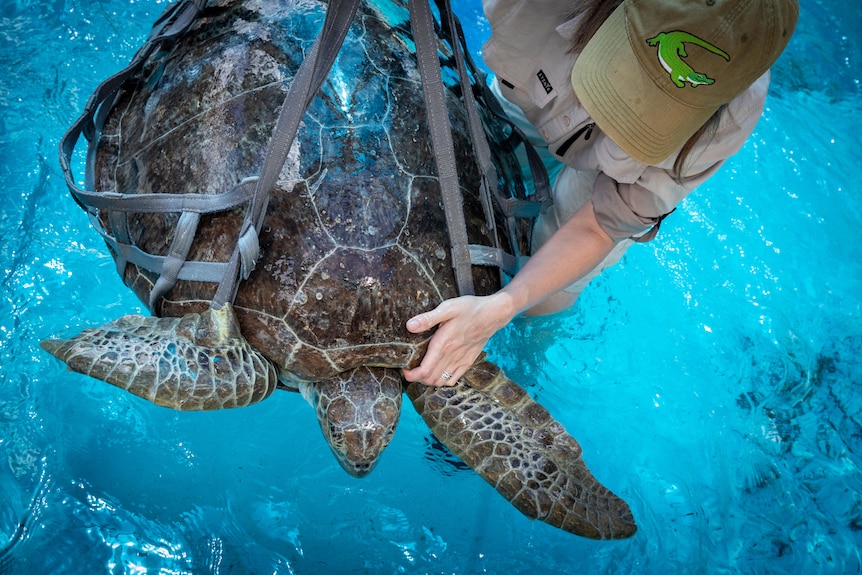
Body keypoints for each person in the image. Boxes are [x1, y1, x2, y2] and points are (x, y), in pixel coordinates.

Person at [402, 0, 799, 387]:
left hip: (618, 175)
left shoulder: (729, 116)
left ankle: (525, 372)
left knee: (544, 290)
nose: (620, 115)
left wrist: (503, 307)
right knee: (472, 172)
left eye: (657, 107)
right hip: (537, 83)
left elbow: (600, 225)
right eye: (626, 76)